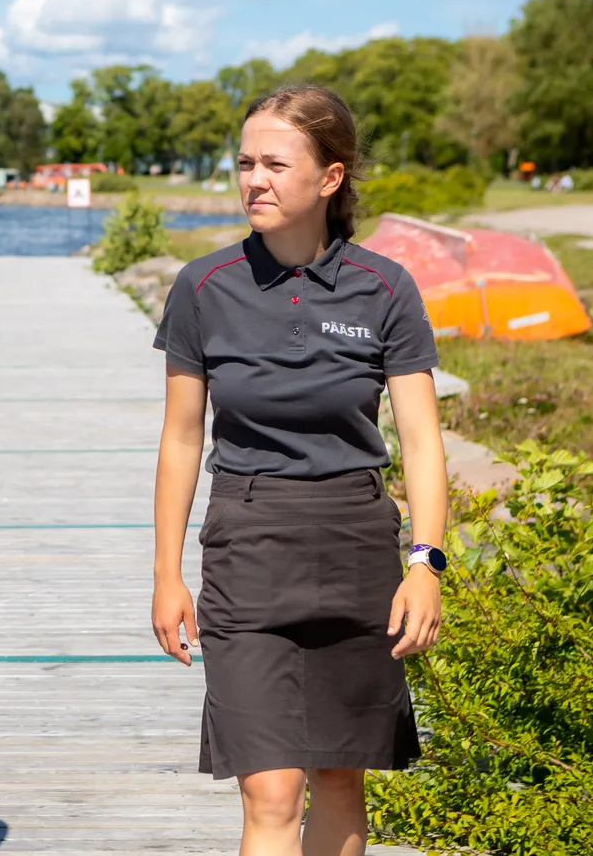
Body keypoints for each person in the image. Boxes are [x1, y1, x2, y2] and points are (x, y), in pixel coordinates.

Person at [150, 84, 448, 856]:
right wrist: (166, 573)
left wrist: (427, 563)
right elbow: (182, 438)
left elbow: (421, 441)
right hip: (247, 546)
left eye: (275, 163)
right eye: (245, 162)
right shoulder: (203, 288)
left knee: (342, 776)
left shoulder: (386, 289)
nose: (255, 179)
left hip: (356, 547)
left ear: (330, 177)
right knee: (272, 788)